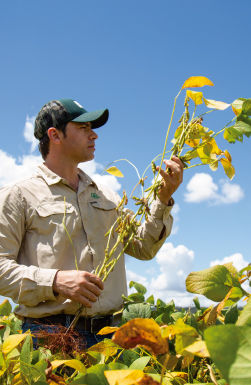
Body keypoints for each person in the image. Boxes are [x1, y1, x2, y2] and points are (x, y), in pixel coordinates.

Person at [0, 99, 183, 348]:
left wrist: (162, 199)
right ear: (55, 135)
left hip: (110, 334)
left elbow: (144, 247)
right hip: (49, 335)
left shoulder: (107, 195)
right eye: (83, 128)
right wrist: (54, 281)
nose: (94, 135)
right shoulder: (18, 195)